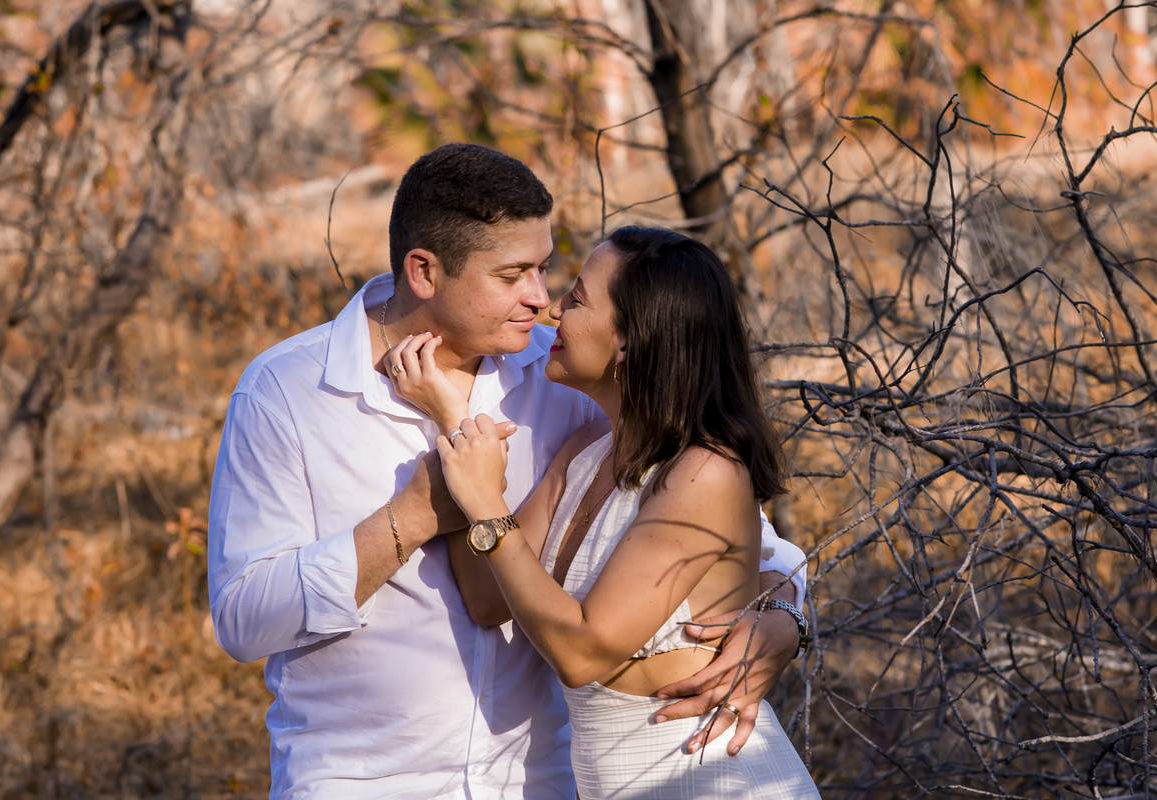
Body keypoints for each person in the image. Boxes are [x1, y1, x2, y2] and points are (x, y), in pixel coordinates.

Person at [207, 144, 810, 799]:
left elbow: (744, 542)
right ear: (425, 272)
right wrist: (407, 518)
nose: (541, 299)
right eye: (513, 274)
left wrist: (786, 620)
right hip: (365, 780)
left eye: (547, 270)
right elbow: (243, 620)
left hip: (542, 780)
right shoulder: (287, 393)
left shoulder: (570, 373)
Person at [391, 226, 821, 799]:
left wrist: (488, 504)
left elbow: (580, 653)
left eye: (577, 299)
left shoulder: (704, 472)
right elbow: (486, 597)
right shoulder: (587, 452)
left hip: (713, 780)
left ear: (628, 340)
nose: (551, 310)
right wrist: (455, 426)